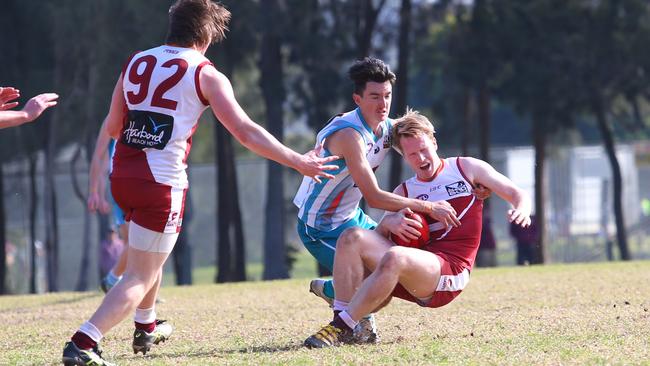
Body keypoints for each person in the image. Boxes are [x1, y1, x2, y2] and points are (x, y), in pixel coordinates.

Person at [62, 1, 339, 365]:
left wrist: (101, 171)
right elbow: (244, 132)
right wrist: (297, 161)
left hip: (124, 175)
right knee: (139, 276)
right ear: (205, 34)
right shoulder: (205, 74)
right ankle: (84, 342)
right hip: (160, 183)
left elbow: (114, 125)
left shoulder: (136, 61)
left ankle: (146, 326)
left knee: (150, 255)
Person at [292, 57, 489, 343]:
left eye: (387, 96)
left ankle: (338, 299)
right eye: (374, 97)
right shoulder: (350, 135)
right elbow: (372, 196)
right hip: (319, 225)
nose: (382, 104)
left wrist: (472, 182)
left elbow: (420, 146)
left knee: (385, 271)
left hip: (351, 218)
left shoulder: (386, 128)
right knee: (366, 277)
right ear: (357, 99)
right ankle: (348, 320)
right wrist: (428, 206)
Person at [303, 109, 531, 348]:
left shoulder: (466, 169)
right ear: (404, 157)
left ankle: (342, 327)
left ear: (434, 142)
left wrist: (521, 209)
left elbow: (517, 194)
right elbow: (377, 241)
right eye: (413, 154)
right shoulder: (404, 192)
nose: (421, 158)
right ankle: (341, 320)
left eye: (424, 150)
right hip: (412, 272)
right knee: (351, 237)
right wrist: (387, 224)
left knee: (396, 256)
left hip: (449, 273)